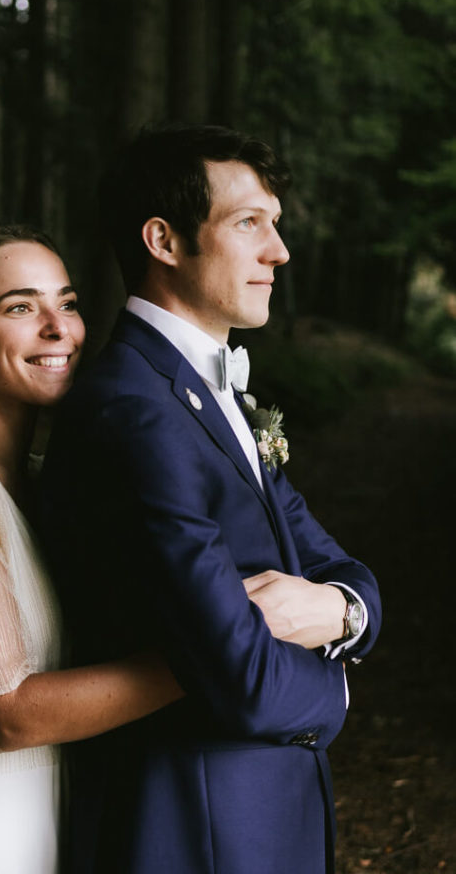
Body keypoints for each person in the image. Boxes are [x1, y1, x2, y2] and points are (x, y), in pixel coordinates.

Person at [38, 125, 382, 874]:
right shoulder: (132, 408)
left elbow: (336, 564)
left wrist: (345, 611)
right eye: (248, 223)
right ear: (162, 240)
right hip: (195, 828)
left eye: (276, 224)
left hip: (257, 816)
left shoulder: (204, 392)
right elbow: (241, 680)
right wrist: (340, 691)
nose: (277, 251)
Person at [0, 225, 186, 874]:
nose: (58, 328)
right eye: (20, 307)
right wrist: (214, 659)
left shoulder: (46, 480)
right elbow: (10, 714)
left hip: (56, 821)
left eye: (67, 303)